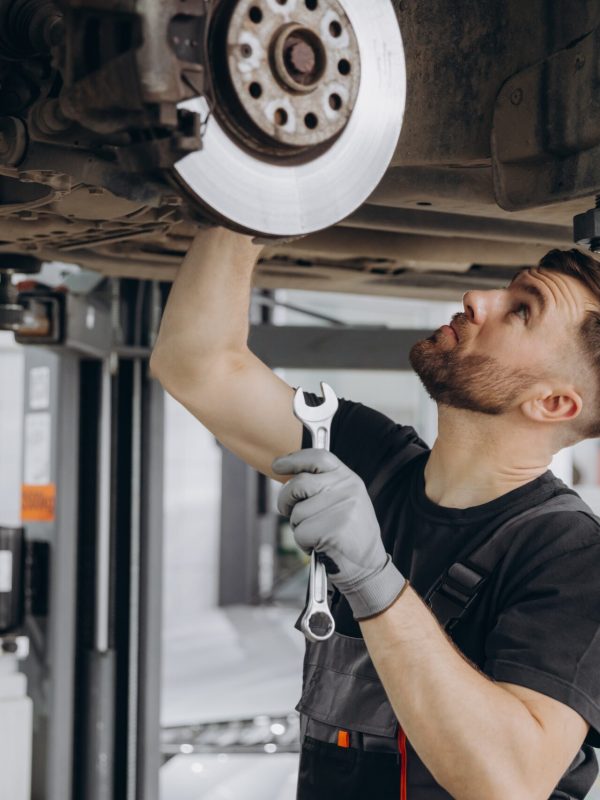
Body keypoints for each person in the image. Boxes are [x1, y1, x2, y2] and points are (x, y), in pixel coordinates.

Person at [150, 227, 600, 800]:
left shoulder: (573, 557)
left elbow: (509, 782)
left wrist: (372, 579)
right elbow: (197, 366)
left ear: (553, 403)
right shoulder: (373, 456)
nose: (476, 301)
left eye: (519, 311)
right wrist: (241, 211)